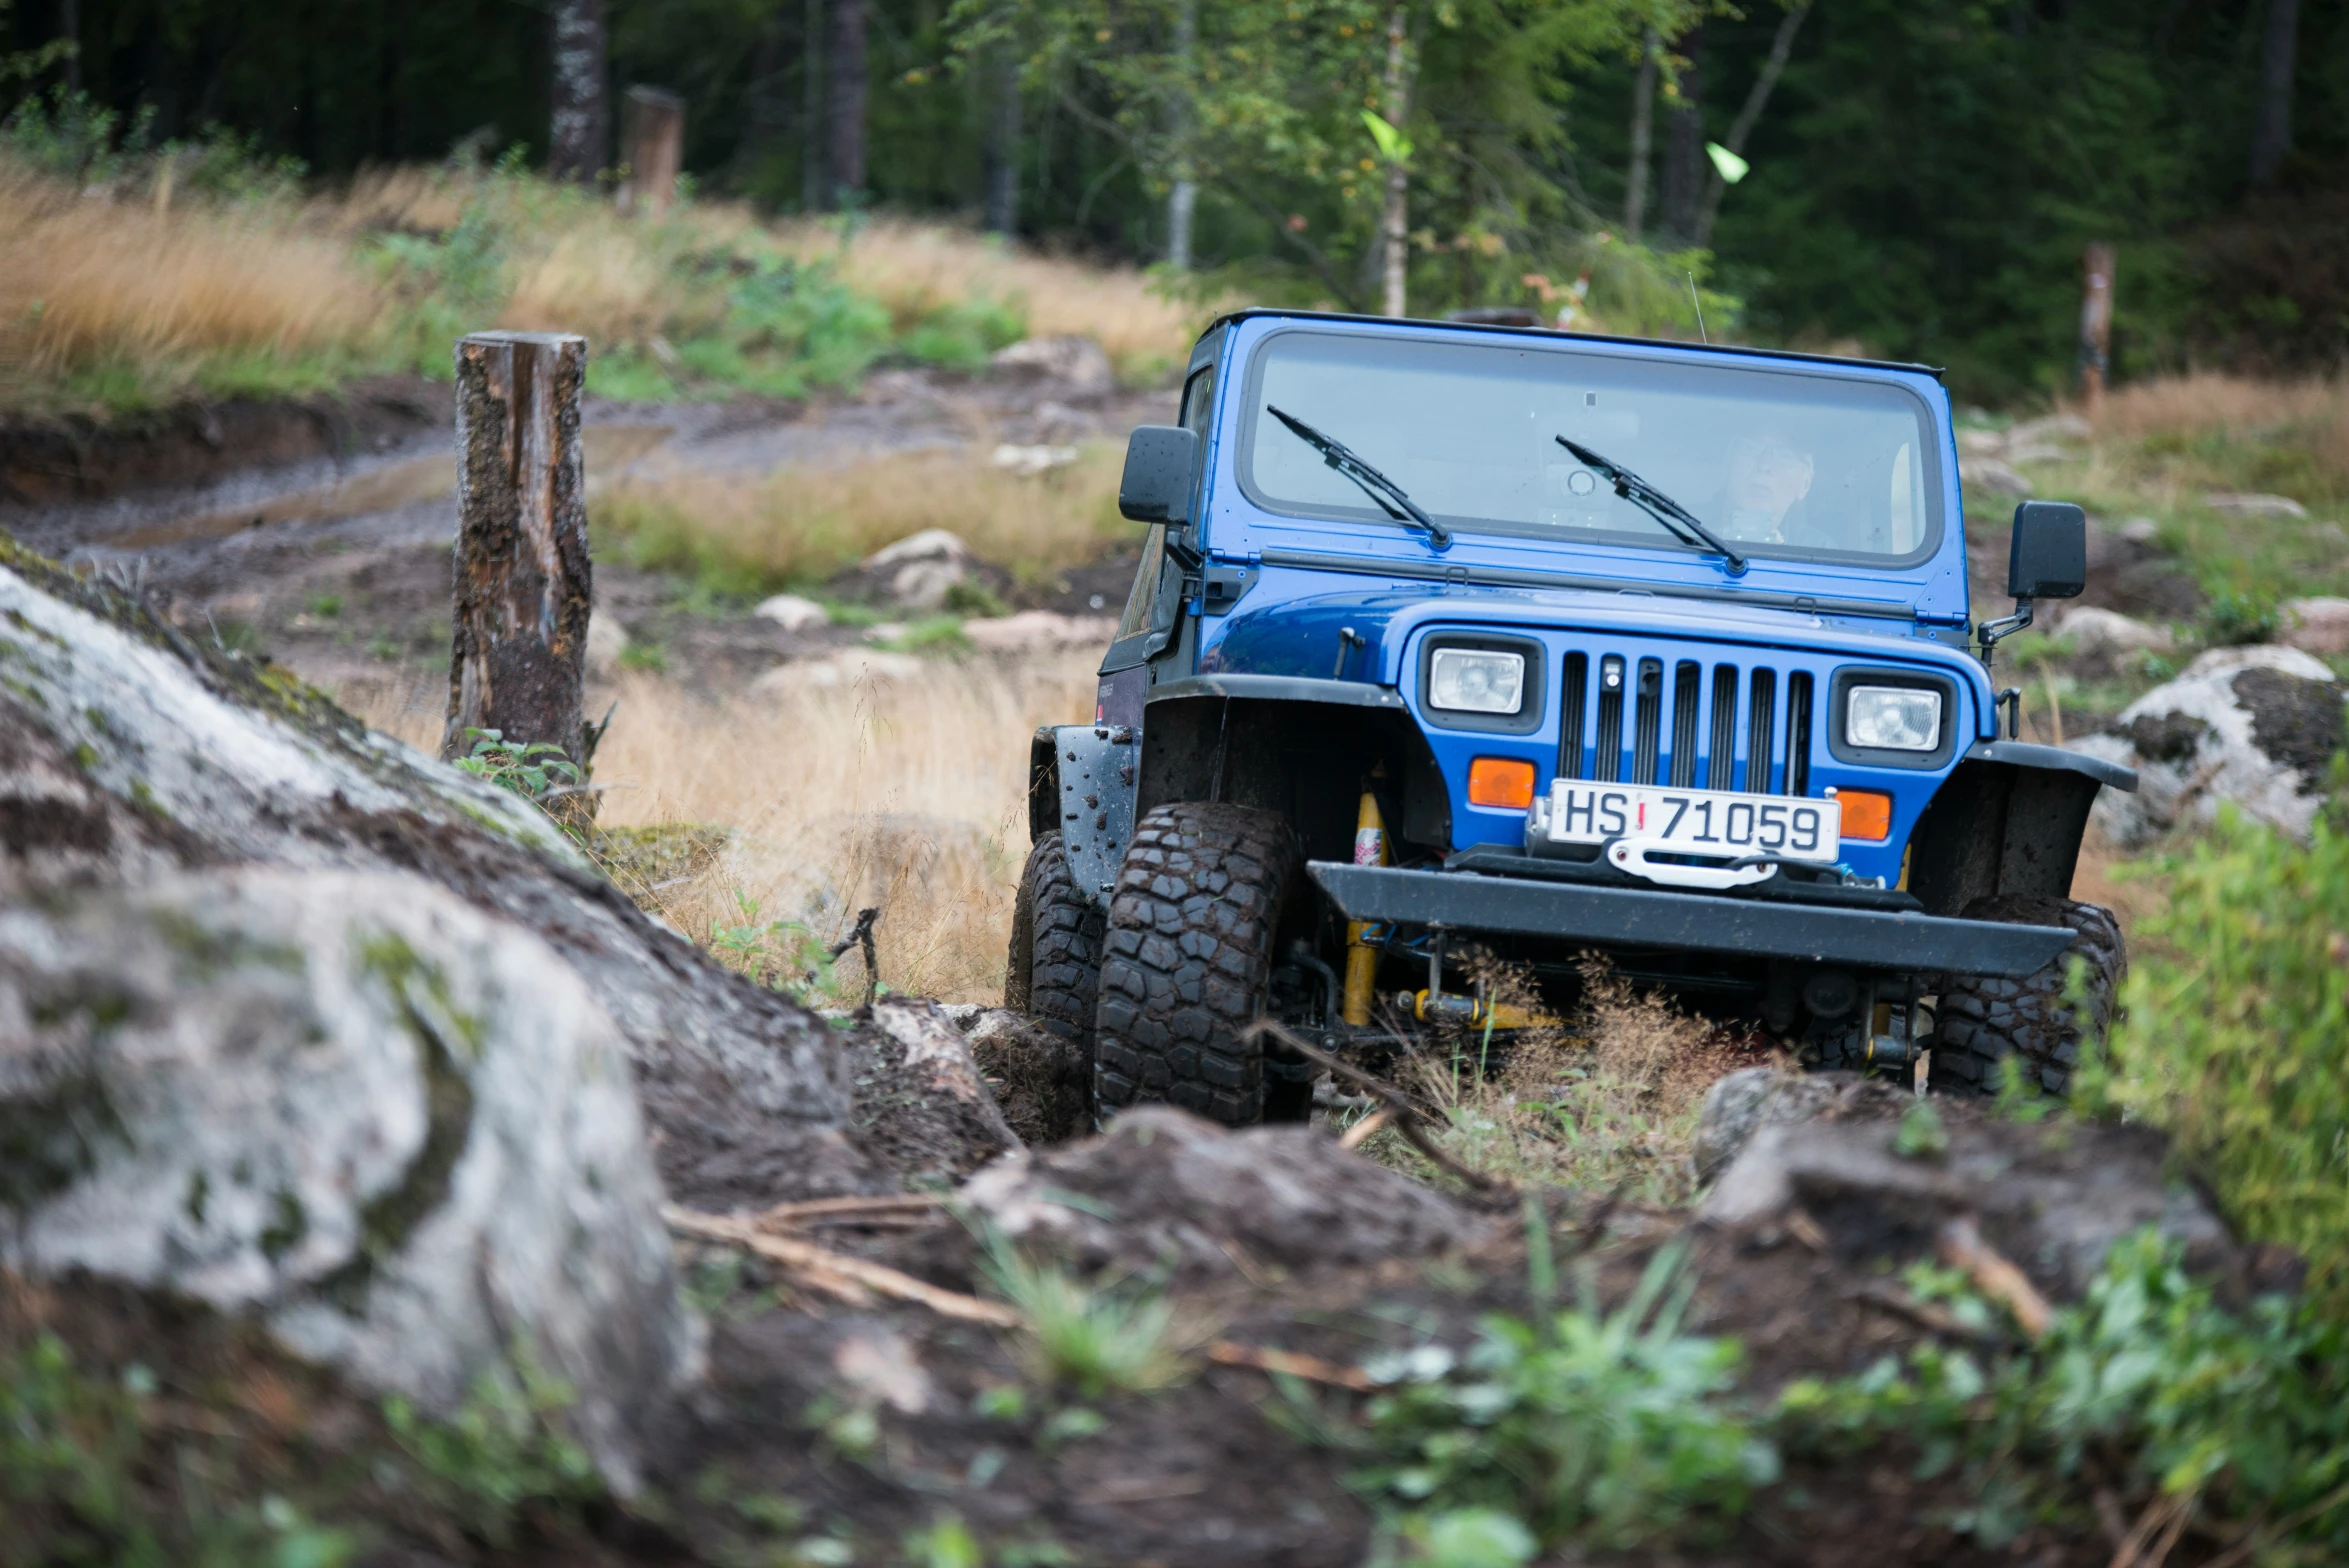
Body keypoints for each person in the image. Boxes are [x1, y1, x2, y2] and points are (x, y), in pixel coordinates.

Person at [1718, 431, 1814, 544]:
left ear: (1805, 484)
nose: (1764, 465)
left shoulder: (1820, 550)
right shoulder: (1692, 531)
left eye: (1785, 456)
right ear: (1727, 463)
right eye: (1751, 448)